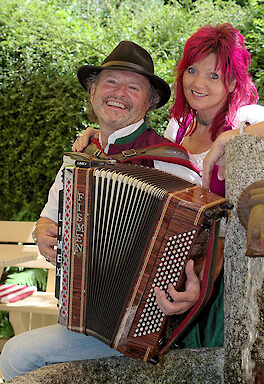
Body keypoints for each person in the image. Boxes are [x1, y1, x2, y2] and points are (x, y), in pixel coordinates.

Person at [73, 24, 264, 348]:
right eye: (192, 70)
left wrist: (231, 136)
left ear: (231, 81)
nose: (198, 83)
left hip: (225, 277)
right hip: (181, 266)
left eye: (213, 76)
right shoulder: (177, 128)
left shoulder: (246, 116)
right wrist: (96, 132)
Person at [0, 40, 202, 381]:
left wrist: (190, 286)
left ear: (149, 101)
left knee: (16, 354)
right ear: (93, 91)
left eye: (133, 87)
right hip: (79, 316)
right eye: (111, 82)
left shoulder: (171, 163)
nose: (119, 93)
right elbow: (48, 217)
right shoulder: (82, 157)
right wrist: (43, 232)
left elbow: (200, 240)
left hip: (142, 325)